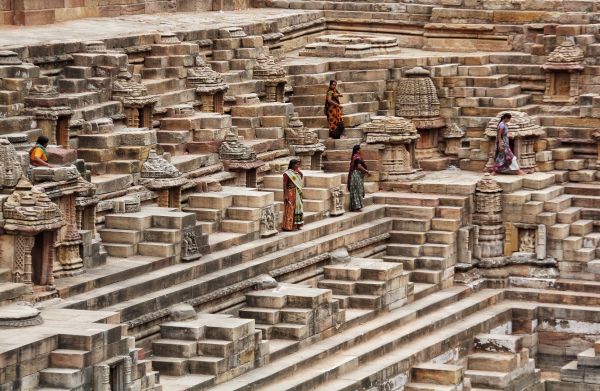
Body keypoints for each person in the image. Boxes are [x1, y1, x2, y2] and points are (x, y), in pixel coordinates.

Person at [282, 159, 304, 231]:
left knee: (298, 208)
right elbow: (284, 185)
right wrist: (285, 195)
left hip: (298, 192)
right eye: (296, 165)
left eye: (298, 164)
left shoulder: (297, 173)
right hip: (290, 192)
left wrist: (299, 172)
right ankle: (288, 226)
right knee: (290, 209)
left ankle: (297, 225)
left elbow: (301, 178)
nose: (298, 166)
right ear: (292, 165)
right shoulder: (287, 174)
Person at [348, 145, 370, 211]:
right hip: (356, 175)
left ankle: (357, 207)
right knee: (356, 191)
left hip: (357, 175)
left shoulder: (356, 156)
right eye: (360, 149)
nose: (361, 150)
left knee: (357, 190)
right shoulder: (357, 157)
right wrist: (367, 172)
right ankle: (356, 207)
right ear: (358, 150)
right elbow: (359, 166)